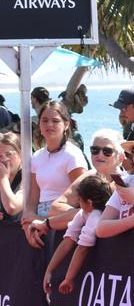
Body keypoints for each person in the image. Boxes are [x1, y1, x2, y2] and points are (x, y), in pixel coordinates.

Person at [20, 101, 87, 245]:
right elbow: (33, 198)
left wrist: (45, 223)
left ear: (66, 124)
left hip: (62, 222)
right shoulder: (37, 156)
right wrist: (29, 223)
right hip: (39, 218)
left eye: (55, 121)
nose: (49, 125)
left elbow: (82, 198)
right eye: (44, 120)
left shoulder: (72, 155)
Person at [43, 174, 112, 297]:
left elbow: (82, 248)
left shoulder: (96, 216)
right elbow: (68, 240)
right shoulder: (83, 213)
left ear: (89, 202)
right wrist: (49, 270)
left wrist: (69, 279)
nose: (78, 203)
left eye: (80, 200)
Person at [0, 132, 23, 223]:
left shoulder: (29, 176)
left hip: (22, 232)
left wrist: (3, 179)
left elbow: (12, 207)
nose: (5, 159)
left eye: (9, 154)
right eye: (0, 156)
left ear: (20, 153)